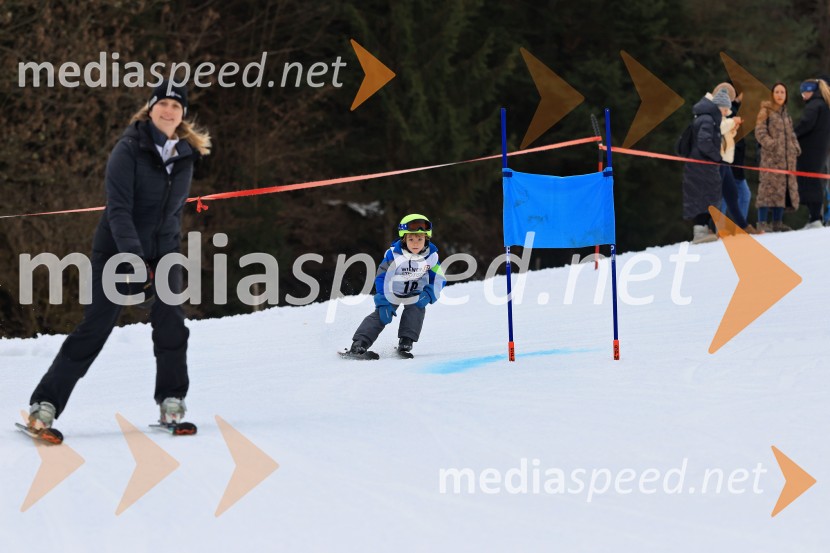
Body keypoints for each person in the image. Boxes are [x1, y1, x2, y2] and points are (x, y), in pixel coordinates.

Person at [24, 81, 211, 442]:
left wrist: (167, 257)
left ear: (182, 114)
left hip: (163, 251)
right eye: (163, 104)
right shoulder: (128, 149)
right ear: (150, 108)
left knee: (172, 321)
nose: (169, 111)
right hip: (116, 250)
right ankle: (44, 406)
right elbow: (120, 211)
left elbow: (171, 215)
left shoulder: (185, 155)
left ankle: (172, 400)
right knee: (96, 326)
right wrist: (135, 259)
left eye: (176, 105)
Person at [346, 214, 443, 357]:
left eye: (419, 239)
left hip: (415, 292)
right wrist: (383, 299)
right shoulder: (394, 255)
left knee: (416, 309)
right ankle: (359, 344)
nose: (415, 243)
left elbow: (439, 278)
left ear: (426, 239)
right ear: (404, 239)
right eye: (411, 239)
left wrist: (429, 293)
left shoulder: (431, 257)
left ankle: (406, 342)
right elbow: (381, 276)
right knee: (381, 316)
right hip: (392, 291)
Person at [755, 82, 800, 232]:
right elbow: (760, 132)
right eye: (777, 92)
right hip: (771, 160)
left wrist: (795, 147)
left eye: (783, 92)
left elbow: (791, 134)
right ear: (772, 94)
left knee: (782, 190)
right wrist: (772, 145)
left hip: (787, 161)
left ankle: (777, 222)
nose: (780, 95)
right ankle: (761, 222)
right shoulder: (765, 111)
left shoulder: (786, 114)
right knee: (766, 190)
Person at [682, 90, 724, 243]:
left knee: (704, 196)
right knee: (703, 196)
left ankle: (704, 229)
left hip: (699, 165)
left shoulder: (703, 116)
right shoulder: (707, 119)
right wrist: (717, 157)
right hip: (702, 165)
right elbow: (704, 142)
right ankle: (700, 231)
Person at [794, 78, 830, 229]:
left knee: (810, 183)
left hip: (811, 151)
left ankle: (815, 218)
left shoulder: (814, 105)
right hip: (821, 150)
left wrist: (791, 134)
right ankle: (815, 217)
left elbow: (806, 124)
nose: (802, 95)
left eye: (804, 91)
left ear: (810, 91)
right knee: (816, 182)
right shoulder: (824, 104)